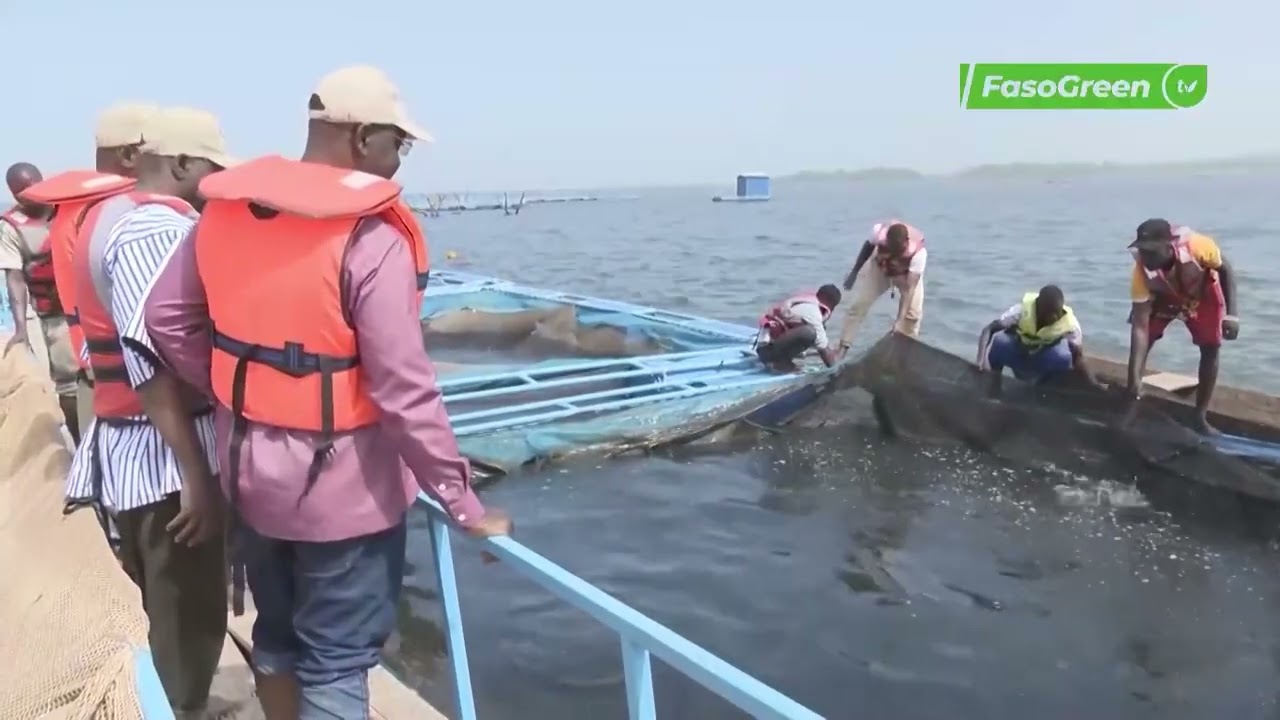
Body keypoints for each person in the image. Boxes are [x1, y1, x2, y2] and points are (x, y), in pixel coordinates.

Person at [144, 66, 513, 720]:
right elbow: (404, 390)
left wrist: (240, 389)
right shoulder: (371, 239)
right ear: (363, 137)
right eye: (396, 145)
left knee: (277, 640)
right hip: (345, 497)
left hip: (249, 475)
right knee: (338, 665)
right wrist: (461, 501)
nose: (399, 164)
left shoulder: (224, 214)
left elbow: (167, 318)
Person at [65, 107, 235, 717]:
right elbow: (150, 358)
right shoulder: (155, 231)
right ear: (184, 165)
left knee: (161, 613)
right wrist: (197, 478)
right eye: (212, 172)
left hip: (130, 450)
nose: (217, 187)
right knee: (187, 627)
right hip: (165, 465)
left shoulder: (104, 219)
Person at [18, 102, 157, 443]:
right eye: (161, 151)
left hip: (93, 377)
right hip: (134, 392)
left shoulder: (71, 212)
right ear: (129, 155)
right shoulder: (122, 213)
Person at [1123, 218, 1238, 435]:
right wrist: (1134, 379)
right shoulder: (1140, 273)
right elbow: (1139, 327)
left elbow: (1226, 269)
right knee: (1145, 339)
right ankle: (1133, 397)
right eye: (1142, 251)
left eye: (1151, 252)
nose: (1145, 258)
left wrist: (1232, 315)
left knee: (1211, 346)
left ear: (1169, 246)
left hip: (1200, 293)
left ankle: (1199, 416)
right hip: (1164, 295)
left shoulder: (1198, 246)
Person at [0, 162, 83, 439]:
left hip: (78, 306)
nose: (33, 193)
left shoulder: (65, 208)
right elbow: (15, 277)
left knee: (81, 379)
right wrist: (21, 327)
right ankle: (71, 441)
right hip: (46, 312)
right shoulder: (11, 227)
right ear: (15, 194)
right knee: (55, 383)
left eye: (36, 184)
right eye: (24, 190)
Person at [977, 285, 1101, 396]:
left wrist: (1095, 385)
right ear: (1038, 306)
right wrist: (980, 360)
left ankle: (1042, 392)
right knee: (1000, 342)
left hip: (1043, 361)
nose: (1054, 317)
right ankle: (994, 387)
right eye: (1049, 312)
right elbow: (989, 329)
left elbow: (1078, 358)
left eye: (1057, 312)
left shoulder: (1071, 326)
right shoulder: (1021, 311)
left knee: (1064, 358)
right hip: (1020, 354)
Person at [837, 219, 927, 357]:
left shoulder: (919, 254)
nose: (894, 253)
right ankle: (842, 349)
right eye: (891, 248)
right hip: (881, 270)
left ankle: (904, 355)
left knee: (912, 315)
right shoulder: (878, 232)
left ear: (906, 243)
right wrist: (854, 272)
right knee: (859, 305)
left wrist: (899, 321)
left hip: (905, 275)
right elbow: (867, 248)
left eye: (898, 250)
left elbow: (909, 290)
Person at [755, 284, 842, 371]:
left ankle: (782, 359)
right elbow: (824, 350)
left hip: (767, 346)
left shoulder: (806, 302)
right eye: (833, 306)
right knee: (809, 332)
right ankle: (779, 363)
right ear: (828, 301)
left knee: (818, 330)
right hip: (766, 351)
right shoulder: (812, 311)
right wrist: (836, 368)